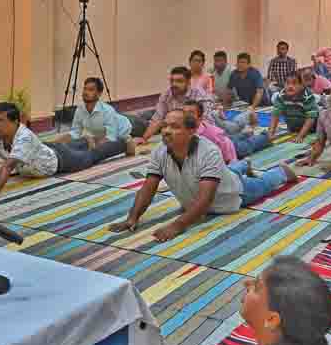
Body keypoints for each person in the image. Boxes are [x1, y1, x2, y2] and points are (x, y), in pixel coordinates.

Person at [111, 110, 296, 241]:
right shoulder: (160, 151)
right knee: (227, 171)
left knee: (264, 184)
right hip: (217, 177)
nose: (166, 130)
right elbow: (148, 187)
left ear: (192, 131)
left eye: (175, 127)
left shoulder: (209, 152)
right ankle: (242, 165)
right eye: (165, 125)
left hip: (231, 193)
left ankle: (281, 171)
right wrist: (132, 217)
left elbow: (205, 200)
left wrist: (177, 225)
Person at [0, 102, 128, 203]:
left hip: (61, 161)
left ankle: (123, 144)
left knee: (93, 157)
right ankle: (84, 139)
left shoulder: (23, 136)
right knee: (66, 145)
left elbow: (8, 165)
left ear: (15, 122)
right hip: (48, 149)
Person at [49, 77, 135, 151]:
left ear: (99, 94)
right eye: (85, 89)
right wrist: (53, 144)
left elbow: (111, 138)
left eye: (90, 90)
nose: (85, 92)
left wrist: (92, 143)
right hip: (112, 124)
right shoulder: (80, 109)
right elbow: (74, 133)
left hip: (128, 127)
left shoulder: (108, 111)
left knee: (143, 127)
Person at [138, 66, 216, 145]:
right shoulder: (166, 94)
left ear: (188, 82)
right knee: (144, 116)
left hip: (198, 130)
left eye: (179, 81)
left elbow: (206, 122)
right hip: (177, 129)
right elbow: (157, 119)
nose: (174, 84)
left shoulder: (199, 94)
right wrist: (144, 138)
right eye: (172, 81)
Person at [183, 99, 237, 164]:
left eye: (190, 113)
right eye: (184, 113)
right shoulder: (179, 133)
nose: (185, 116)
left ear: (200, 117)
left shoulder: (215, 135)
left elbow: (229, 161)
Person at [269, 74, 319, 142]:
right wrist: (271, 132)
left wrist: (301, 136)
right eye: (287, 83)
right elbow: (275, 114)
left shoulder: (307, 96)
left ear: (302, 85)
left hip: (312, 129)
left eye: (294, 83)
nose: (290, 86)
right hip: (293, 128)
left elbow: (310, 119)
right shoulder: (281, 95)